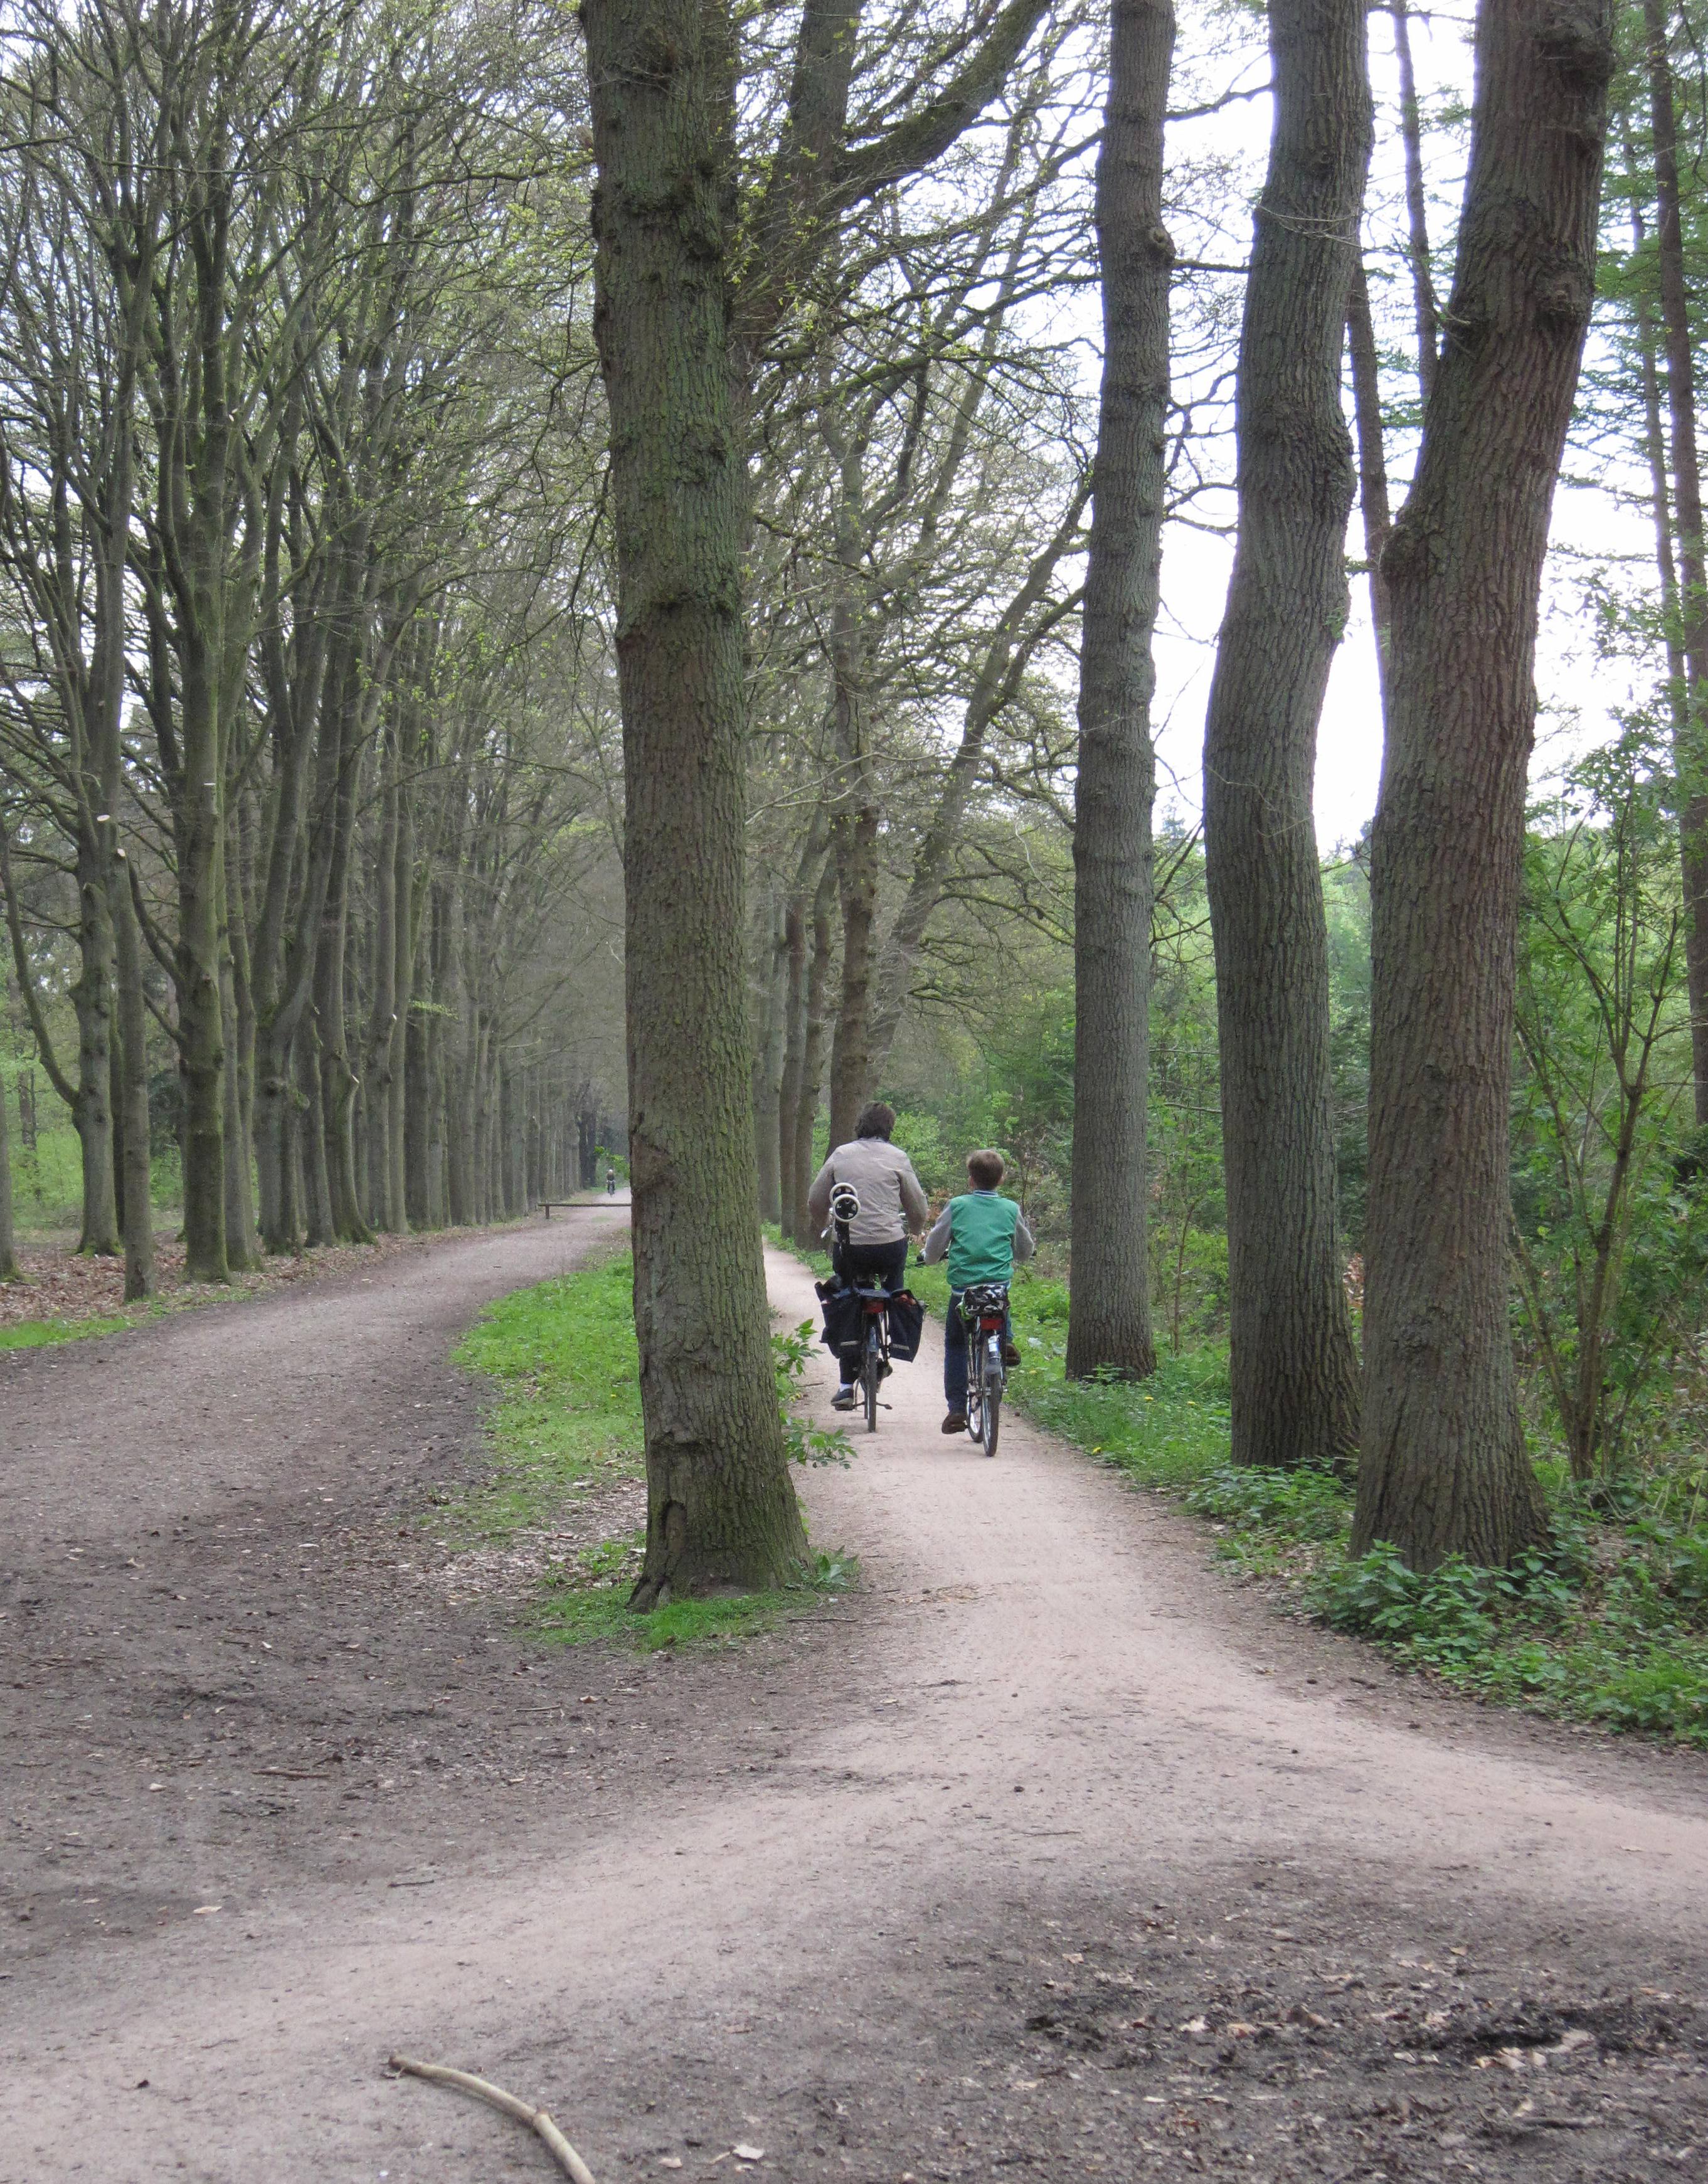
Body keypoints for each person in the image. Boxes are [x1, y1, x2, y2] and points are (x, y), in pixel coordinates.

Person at [807, 1102, 929, 1411]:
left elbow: (815, 1199)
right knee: (895, 1291)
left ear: (859, 1125)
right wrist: (915, 1230)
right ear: (890, 1128)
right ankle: (891, 1349)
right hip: (890, 1244)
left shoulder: (841, 1155)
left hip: (850, 1246)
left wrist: (823, 1225)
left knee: (847, 1297)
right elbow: (917, 1207)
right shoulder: (898, 1158)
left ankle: (846, 1385)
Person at [919, 1148, 1034, 1434]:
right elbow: (1024, 1249)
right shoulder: (1010, 1209)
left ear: (970, 1180)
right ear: (1002, 1179)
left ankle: (957, 1409)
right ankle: (1004, 1339)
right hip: (996, 1288)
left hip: (963, 1291)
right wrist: (1019, 1256)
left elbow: (935, 1245)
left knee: (956, 1344)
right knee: (999, 1298)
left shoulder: (957, 1206)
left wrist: (929, 1257)